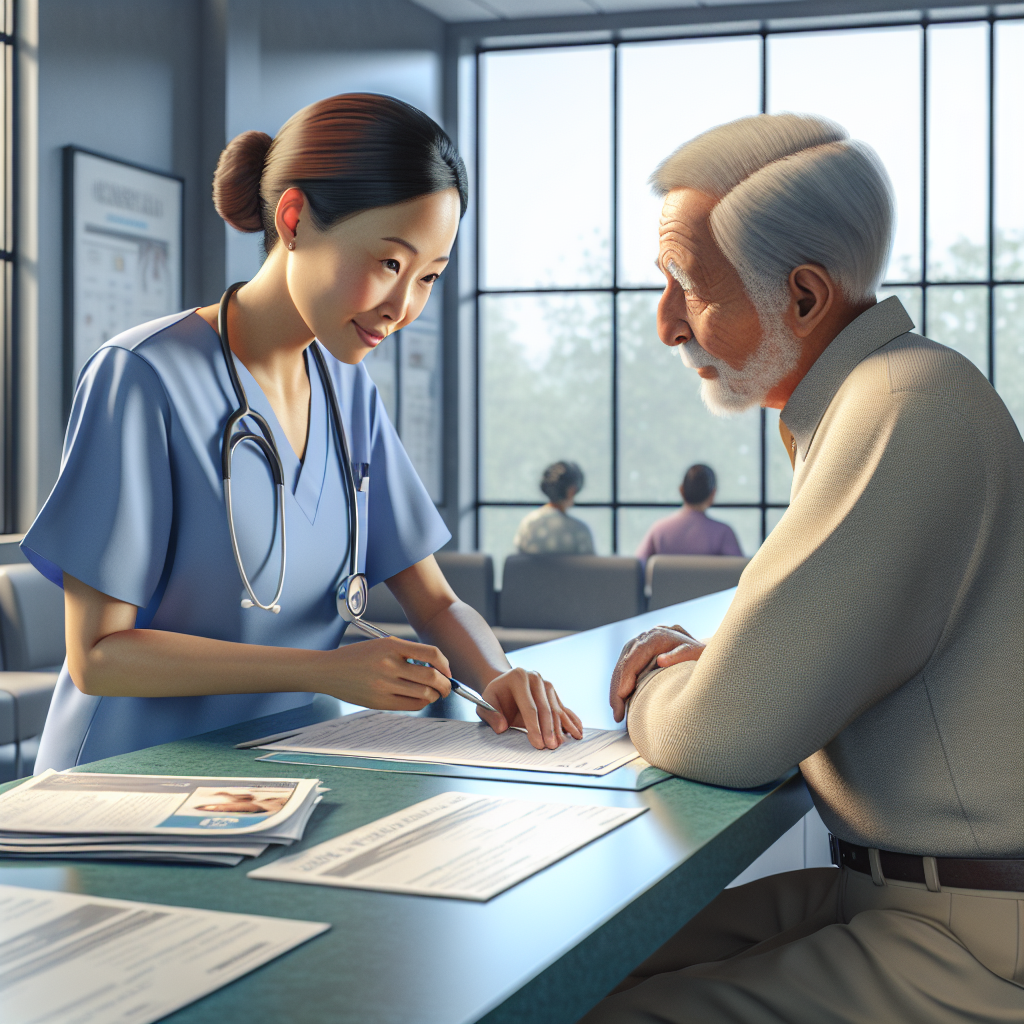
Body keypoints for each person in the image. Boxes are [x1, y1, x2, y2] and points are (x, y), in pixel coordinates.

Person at [584, 114, 1023, 1022]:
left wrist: (645, 695)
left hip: (967, 934)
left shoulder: (900, 410)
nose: (667, 323)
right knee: (596, 974)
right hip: (904, 890)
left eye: (688, 287)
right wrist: (721, 670)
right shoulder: (885, 393)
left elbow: (725, 740)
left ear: (805, 298)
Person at [24, 93, 582, 774]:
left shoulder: (348, 388)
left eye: (429, 278)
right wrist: (326, 669)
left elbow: (434, 601)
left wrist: (497, 677)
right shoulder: (142, 377)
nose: (402, 308)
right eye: (389, 264)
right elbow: (99, 655)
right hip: (133, 780)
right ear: (294, 220)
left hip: (298, 767)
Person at [634, 464, 741, 563]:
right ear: (713, 494)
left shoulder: (658, 530)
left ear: (681, 490)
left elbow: (637, 570)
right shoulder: (724, 533)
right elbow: (743, 577)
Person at [514, 461, 595, 555]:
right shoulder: (579, 530)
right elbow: (590, 566)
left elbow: (518, 562)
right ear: (571, 491)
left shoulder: (528, 524)